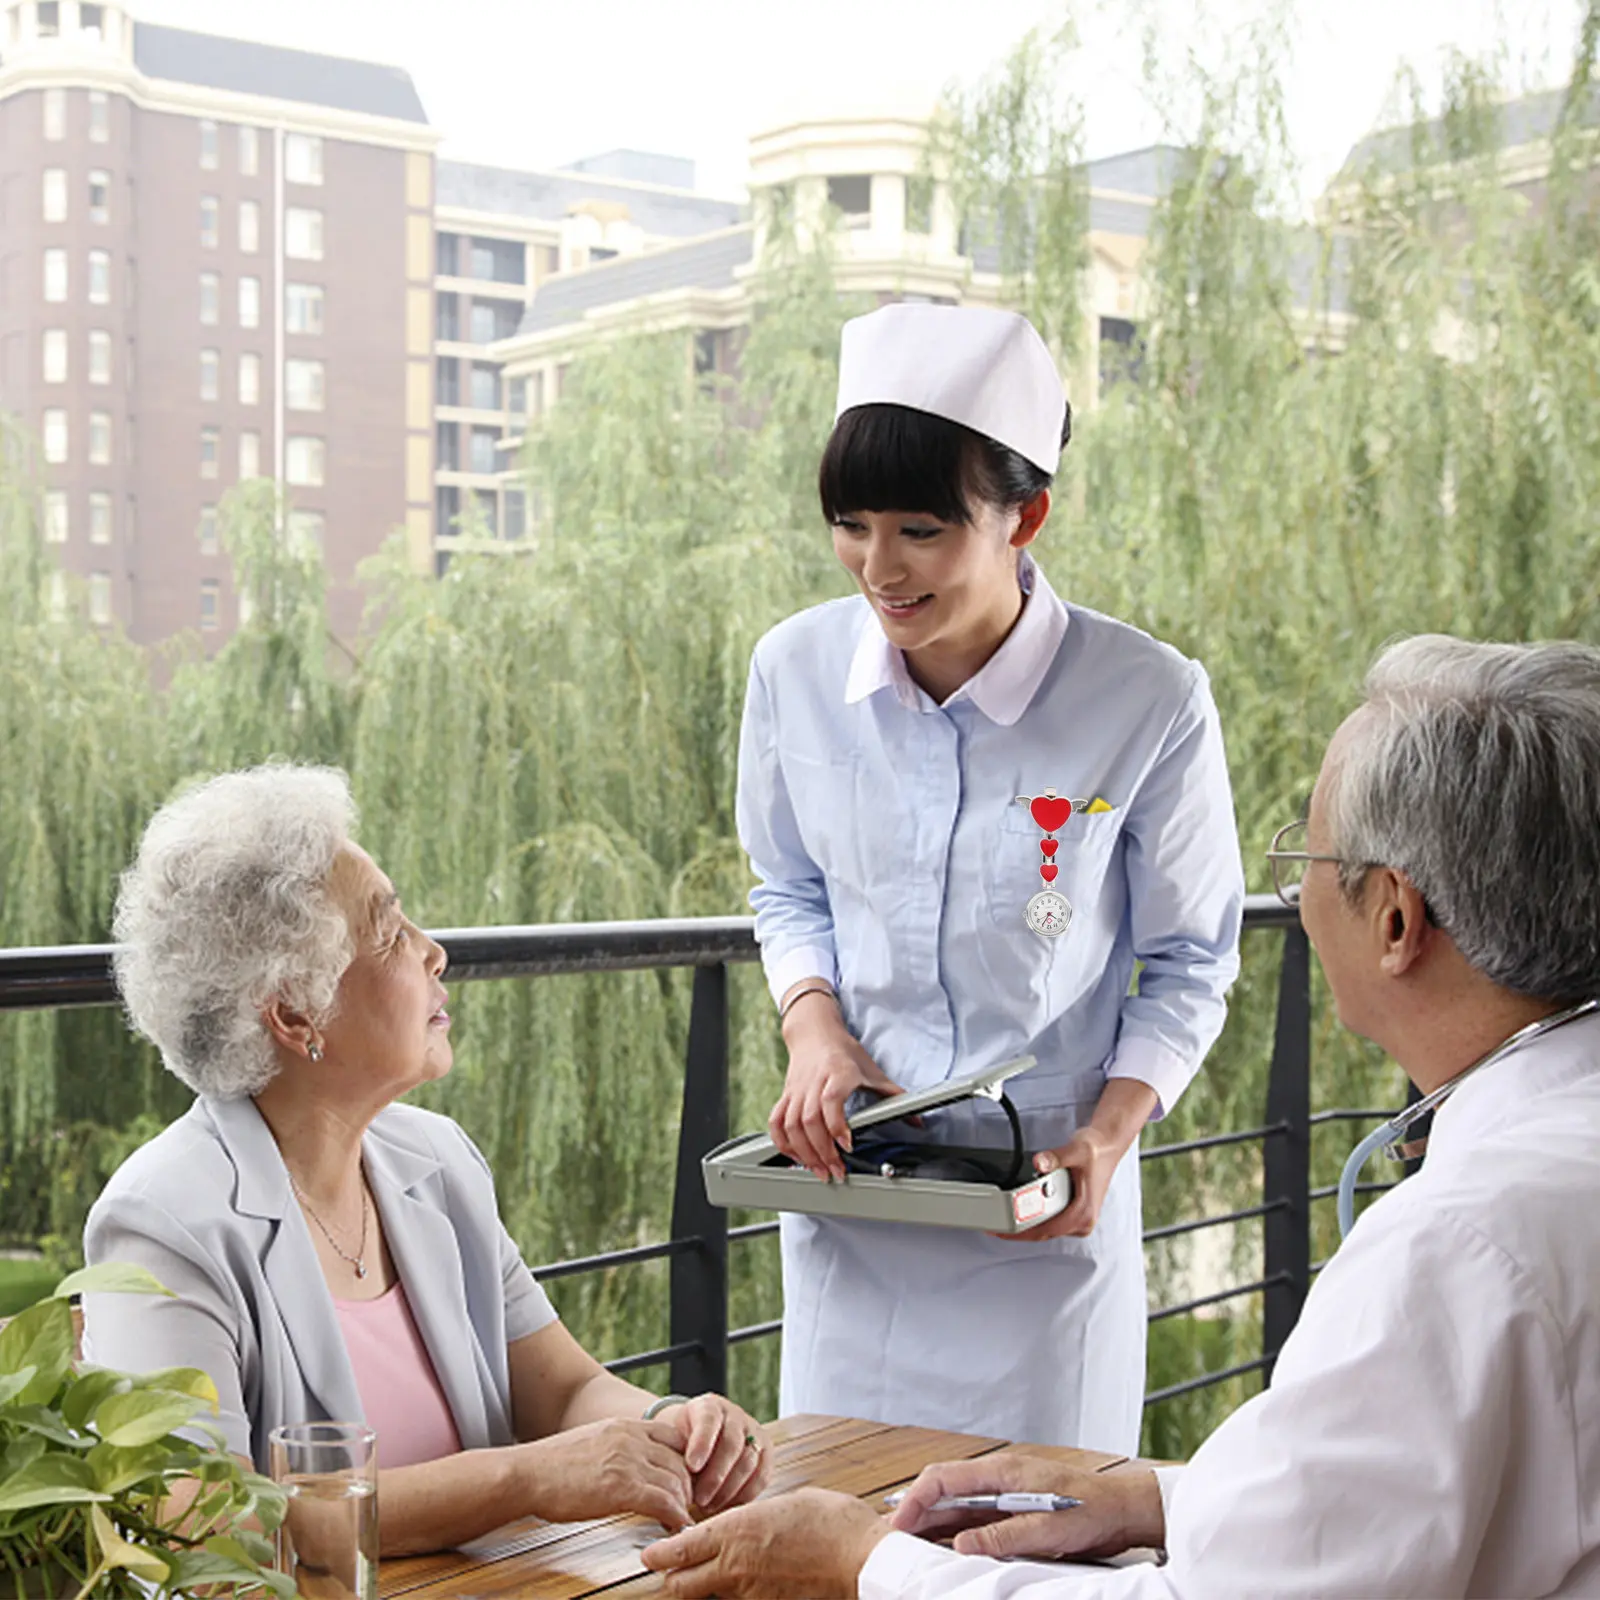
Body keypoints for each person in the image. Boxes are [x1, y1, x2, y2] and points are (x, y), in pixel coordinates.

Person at [644, 634, 1600, 1599]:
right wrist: (1159, 1499)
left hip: (1041, 1262)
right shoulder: (1543, 1177)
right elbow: (1362, 1503)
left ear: (1395, 919)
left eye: (1304, 855)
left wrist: (864, 1565)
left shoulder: (1456, 1248)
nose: (1297, 890)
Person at [735, 302, 1244, 1451]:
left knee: (1030, 1526)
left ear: (1026, 515)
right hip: (854, 1194)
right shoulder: (791, 671)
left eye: (920, 529)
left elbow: (1190, 959)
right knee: (833, 1518)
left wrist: (1106, 1138)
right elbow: (789, 888)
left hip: (1040, 1217)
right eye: (851, 525)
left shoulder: (1148, 699)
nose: (879, 568)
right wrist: (812, 1030)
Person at [83, 764, 768, 1557]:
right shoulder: (162, 1224)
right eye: (390, 933)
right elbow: (205, 1522)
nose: (433, 952)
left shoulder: (437, 1160)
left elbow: (565, 1391)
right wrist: (524, 1480)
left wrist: (668, 1425)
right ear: (295, 1013)